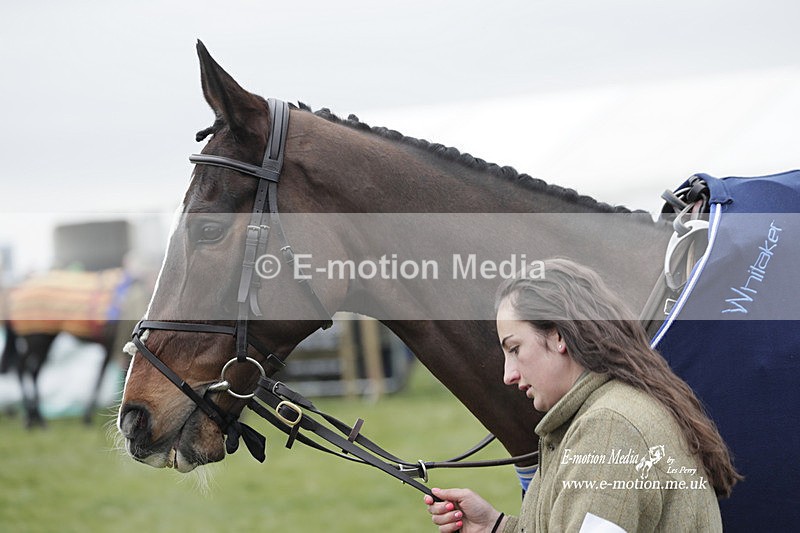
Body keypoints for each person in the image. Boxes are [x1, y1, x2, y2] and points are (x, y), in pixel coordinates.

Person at [424, 258, 740, 532]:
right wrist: (495, 527)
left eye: (516, 349)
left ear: (559, 336)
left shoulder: (611, 428)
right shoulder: (604, 414)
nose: (508, 375)